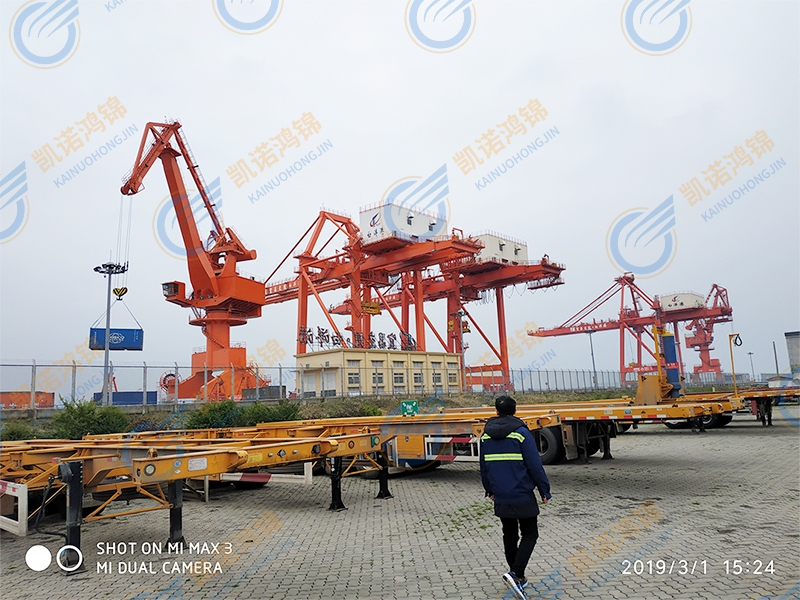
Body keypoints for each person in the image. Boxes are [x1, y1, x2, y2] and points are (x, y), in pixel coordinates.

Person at [480, 395, 552, 600]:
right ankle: (516, 573)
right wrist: (544, 490)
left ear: (496, 411)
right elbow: (534, 465)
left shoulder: (485, 437)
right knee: (530, 534)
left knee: (509, 535)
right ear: (515, 411)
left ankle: (517, 578)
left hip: (501, 496)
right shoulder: (521, 434)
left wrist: (489, 490)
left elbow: (484, 467)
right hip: (522, 494)